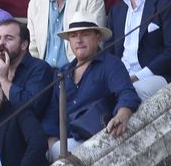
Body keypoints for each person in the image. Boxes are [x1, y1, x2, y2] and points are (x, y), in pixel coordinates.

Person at [48, 20, 139, 149]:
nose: (79, 40)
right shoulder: (63, 72)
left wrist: (121, 116)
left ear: (98, 37)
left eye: (85, 34)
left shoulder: (111, 64)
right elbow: (52, 111)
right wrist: (51, 143)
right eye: (73, 36)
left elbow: (126, 92)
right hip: (65, 142)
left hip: (98, 138)